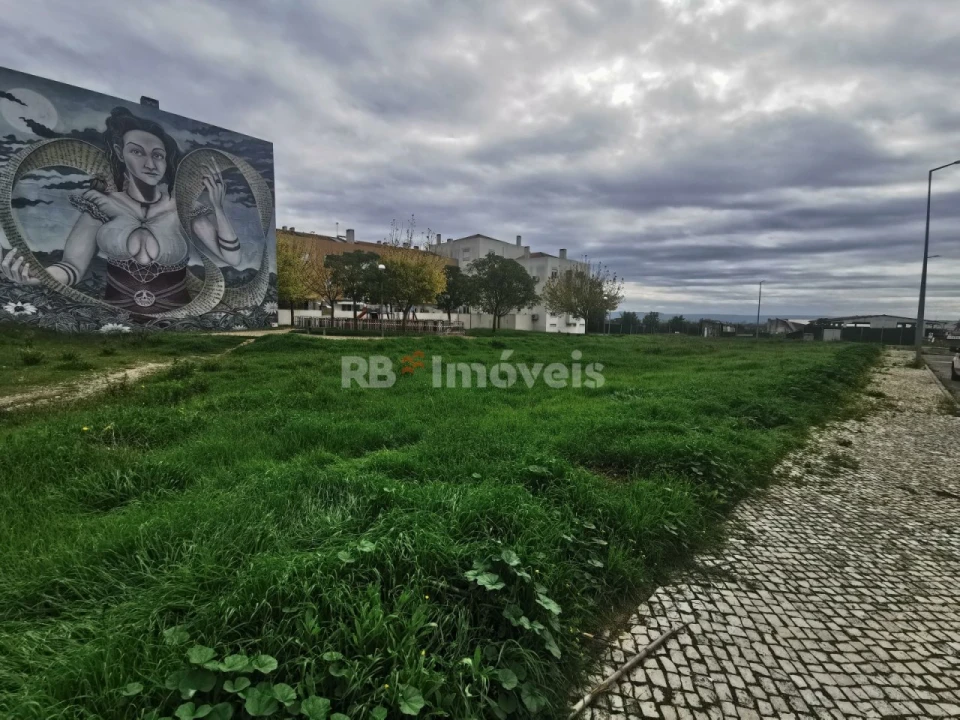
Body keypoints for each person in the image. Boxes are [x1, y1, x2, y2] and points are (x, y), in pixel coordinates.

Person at [0, 106, 242, 313]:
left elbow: (232, 257)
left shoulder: (184, 207)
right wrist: (39, 276)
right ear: (120, 153)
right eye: (137, 151)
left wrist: (218, 208)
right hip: (115, 320)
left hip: (180, 318)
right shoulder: (101, 204)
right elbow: (72, 267)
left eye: (158, 155)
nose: (150, 163)